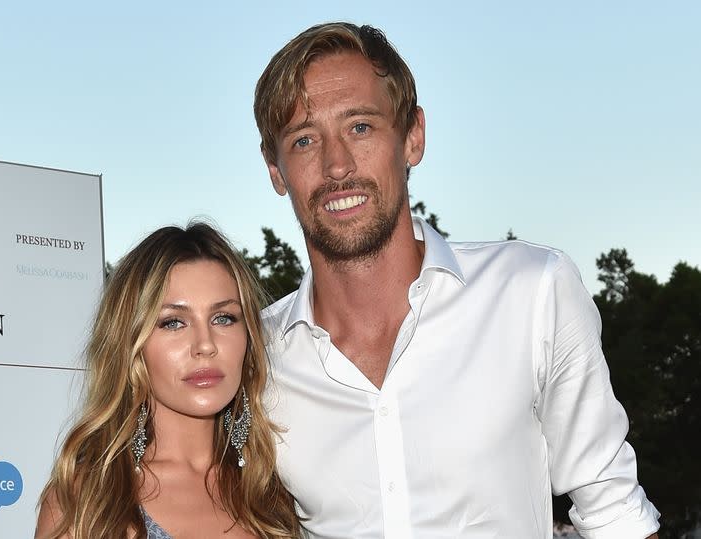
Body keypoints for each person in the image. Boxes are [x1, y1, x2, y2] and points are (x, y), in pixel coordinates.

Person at [253, 22, 661, 538]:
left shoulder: (532, 291)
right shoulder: (255, 357)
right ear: (275, 170)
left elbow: (615, 515)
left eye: (361, 127)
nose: (337, 166)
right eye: (305, 139)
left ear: (413, 137)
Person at [34, 223, 301, 539]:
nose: (205, 344)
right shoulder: (87, 501)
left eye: (224, 318)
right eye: (173, 322)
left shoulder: (274, 493)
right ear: (133, 345)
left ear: (249, 338)